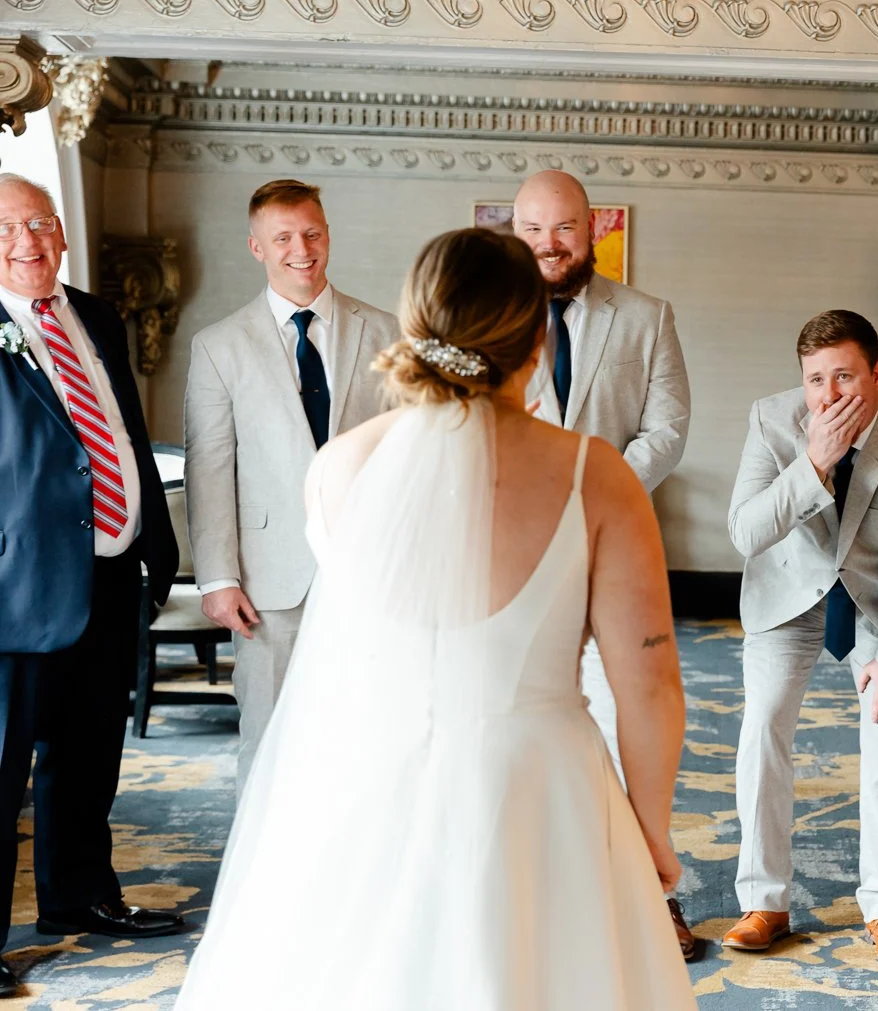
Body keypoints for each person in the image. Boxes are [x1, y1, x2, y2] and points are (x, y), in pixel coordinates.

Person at [173, 228, 694, 1010]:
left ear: (412, 326)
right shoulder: (597, 477)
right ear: (536, 337)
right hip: (540, 788)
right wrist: (651, 833)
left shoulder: (338, 466)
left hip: (366, 775)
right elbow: (649, 682)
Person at [722, 310, 878, 966]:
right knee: (763, 725)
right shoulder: (772, 420)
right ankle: (764, 900)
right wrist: (814, 464)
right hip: (787, 594)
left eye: (844, 377)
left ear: (877, 373)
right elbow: (745, 533)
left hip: (876, 606)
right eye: (815, 379)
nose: (827, 395)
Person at [0, 173, 183, 997]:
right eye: (8, 228)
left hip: (111, 571)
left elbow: (122, 431)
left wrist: (155, 540)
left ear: (62, 231)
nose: (28, 241)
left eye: (40, 222)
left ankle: (81, 897)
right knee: (2, 774)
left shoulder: (96, 313)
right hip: (16, 591)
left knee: (89, 757)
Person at [512, 169, 696, 955]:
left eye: (565, 230)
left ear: (594, 232)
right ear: (513, 234)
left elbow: (669, 426)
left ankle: (652, 892)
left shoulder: (646, 316)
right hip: (516, 553)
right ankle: (542, 891)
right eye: (534, 231)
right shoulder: (491, 320)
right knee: (530, 721)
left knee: (630, 715)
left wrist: (601, 489)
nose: (550, 246)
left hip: (616, 545)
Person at [185, 179, 398, 792]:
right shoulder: (219, 346)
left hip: (367, 574)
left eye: (311, 233)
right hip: (266, 580)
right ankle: (264, 883)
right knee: (271, 736)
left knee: (365, 736)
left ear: (327, 235)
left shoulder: (385, 333)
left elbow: (404, 455)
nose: (299, 249)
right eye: (283, 238)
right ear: (257, 247)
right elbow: (209, 466)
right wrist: (219, 579)